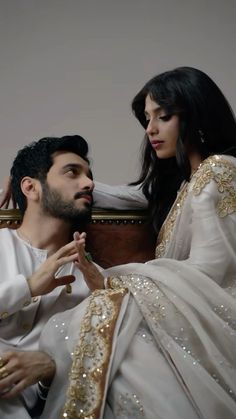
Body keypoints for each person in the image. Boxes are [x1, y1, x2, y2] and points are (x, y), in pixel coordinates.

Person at [38, 67, 236, 419]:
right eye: (147, 118)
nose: (151, 129)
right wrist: (40, 178)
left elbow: (213, 267)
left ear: (197, 113)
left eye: (165, 116)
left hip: (214, 312)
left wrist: (121, 283)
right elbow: (123, 196)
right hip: (186, 306)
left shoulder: (218, 171)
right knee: (117, 347)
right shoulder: (183, 184)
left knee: (113, 345)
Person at [0, 135, 99, 418]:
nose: (89, 183)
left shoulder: (94, 278)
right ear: (31, 187)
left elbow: (105, 353)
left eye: (89, 176)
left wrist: (52, 364)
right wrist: (28, 287)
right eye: (73, 172)